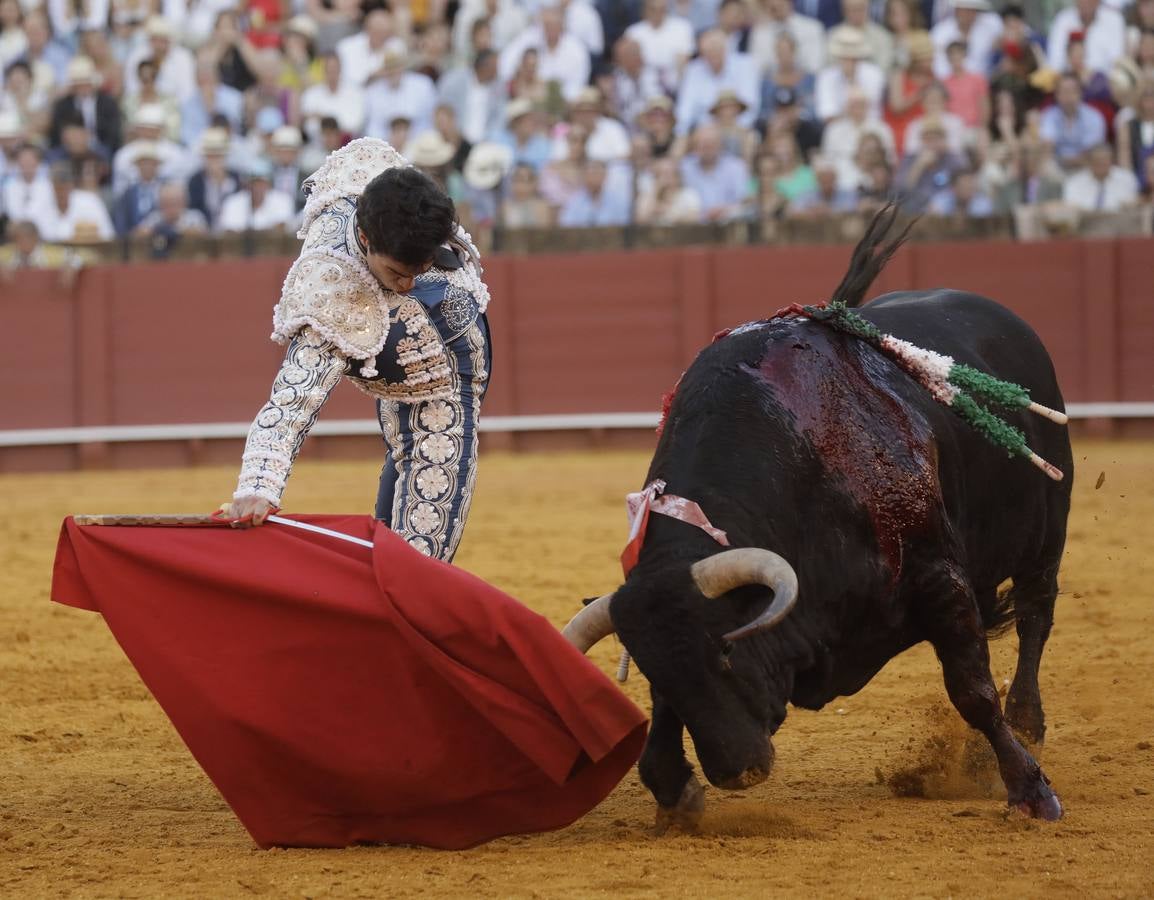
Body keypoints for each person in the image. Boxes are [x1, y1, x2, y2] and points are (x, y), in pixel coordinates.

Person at [226, 139, 492, 563]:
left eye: (419, 270)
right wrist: (258, 486)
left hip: (448, 379)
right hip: (414, 378)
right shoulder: (331, 288)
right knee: (410, 563)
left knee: (411, 557)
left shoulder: (387, 194)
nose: (406, 284)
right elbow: (293, 397)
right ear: (365, 238)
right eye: (397, 273)